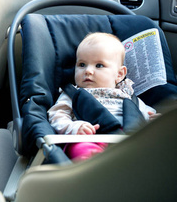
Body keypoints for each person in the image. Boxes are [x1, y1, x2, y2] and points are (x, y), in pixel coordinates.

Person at [48, 32, 157, 161]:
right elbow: (56, 115)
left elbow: (145, 113)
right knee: (80, 147)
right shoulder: (73, 94)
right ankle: (93, 165)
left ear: (119, 74)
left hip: (128, 141)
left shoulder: (127, 94)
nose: (88, 71)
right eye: (82, 64)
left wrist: (155, 121)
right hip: (91, 138)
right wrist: (74, 127)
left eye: (99, 65)